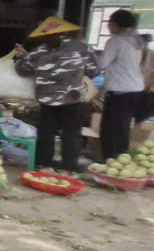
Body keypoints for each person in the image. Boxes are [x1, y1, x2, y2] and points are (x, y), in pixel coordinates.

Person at [14, 17, 98, 173]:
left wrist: (21, 56)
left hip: (48, 100)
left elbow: (22, 70)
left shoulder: (38, 52)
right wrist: (75, 75)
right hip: (74, 99)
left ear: (44, 35)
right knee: (71, 135)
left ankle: (44, 166)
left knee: (47, 134)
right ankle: (68, 169)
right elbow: (94, 69)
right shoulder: (82, 48)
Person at [98, 8, 145, 160]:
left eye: (109, 23)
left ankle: (110, 162)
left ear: (115, 24)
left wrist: (91, 56)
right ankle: (122, 160)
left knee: (109, 131)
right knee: (123, 129)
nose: (108, 27)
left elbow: (102, 64)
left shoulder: (115, 41)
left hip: (119, 92)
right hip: (135, 90)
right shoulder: (136, 40)